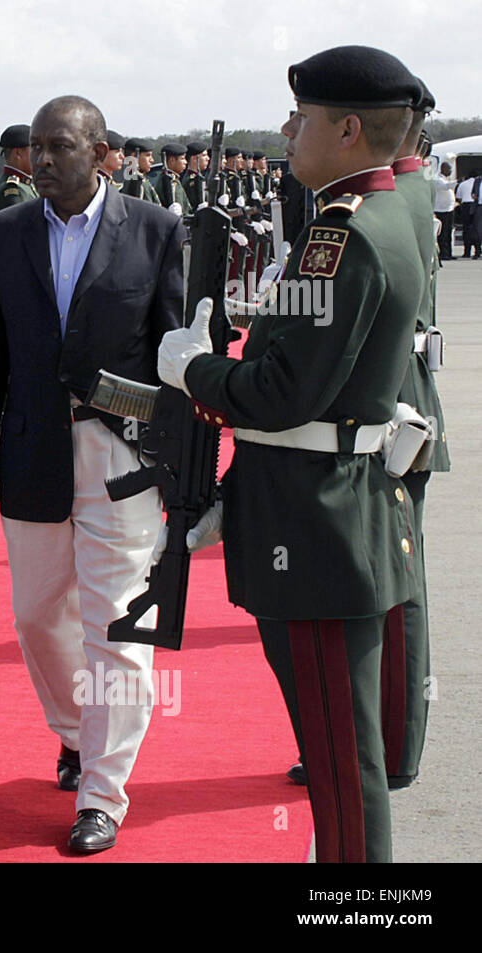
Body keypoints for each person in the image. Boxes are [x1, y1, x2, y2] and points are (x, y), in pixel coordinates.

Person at [160, 45, 424, 862]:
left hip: (312, 526)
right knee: (348, 753)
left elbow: (283, 395)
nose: (285, 131)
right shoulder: (383, 213)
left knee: (343, 766)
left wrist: (191, 367)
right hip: (337, 504)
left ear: (347, 130)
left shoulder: (338, 239)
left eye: (301, 117)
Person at [0, 95, 183, 854]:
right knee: (34, 614)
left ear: (101, 153)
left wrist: (176, 460)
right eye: (36, 149)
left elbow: (176, 355)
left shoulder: (155, 231)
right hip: (29, 452)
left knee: (118, 623)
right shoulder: (5, 234)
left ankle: (102, 793)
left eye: (60, 147)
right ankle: (76, 730)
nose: (42, 160)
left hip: (121, 457)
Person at [382, 80, 450, 787]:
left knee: (391, 588)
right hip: (409, 402)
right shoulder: (411, 192)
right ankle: (392, 743)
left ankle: (387, 746)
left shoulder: (387, 202)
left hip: (388, 417)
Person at [0, 123, 36, 213]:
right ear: (18, 153)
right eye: (34, 149)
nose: (39, 155)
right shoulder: (13, 190)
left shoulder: (25, 185)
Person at [122, 138, 160, 203]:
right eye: (148, 155)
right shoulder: (137, 181)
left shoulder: (133, 179)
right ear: (134, 156)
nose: (152, 160)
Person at [156, 143, 191, 214]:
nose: (186, 162)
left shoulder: (174, 180)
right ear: (172, 160)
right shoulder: (170, 182)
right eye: (182, 158)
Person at [434, 161, 456, 260]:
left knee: (448, 233)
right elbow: (445, 187)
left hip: (449, 209)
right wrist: (457, 181)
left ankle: (449, 253)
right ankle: (443, 253)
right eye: (449, 169)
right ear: (443, 169)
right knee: (443, 234)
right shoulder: (438, 179)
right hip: (441, 211)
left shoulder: (446, 179)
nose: (451, 171)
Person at [181, 140, 210, 208]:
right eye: (204, 155)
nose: (208, 158)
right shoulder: (191, 180)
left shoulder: (199, 177)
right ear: (194, 158)